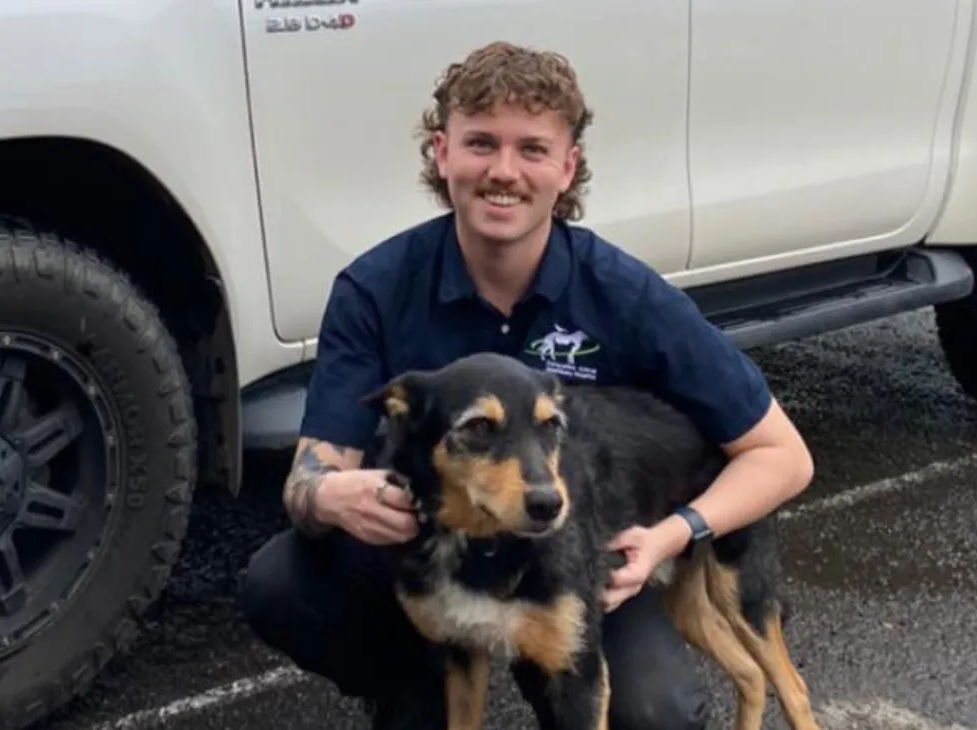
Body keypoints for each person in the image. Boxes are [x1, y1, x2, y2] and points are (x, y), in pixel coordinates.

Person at [237, 41, 815, 730]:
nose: (503, 172)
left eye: (532, 150)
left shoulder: (626, 294)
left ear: (567, 167)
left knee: (655, 716)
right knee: (282, 583)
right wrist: (331, 494)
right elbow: (312, 475)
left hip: (580, 558)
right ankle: (412, 695)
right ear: (441, 152)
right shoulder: (377, 288)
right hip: (438, 546)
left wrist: (672, 535)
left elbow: (784, 455)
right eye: (481, 143)